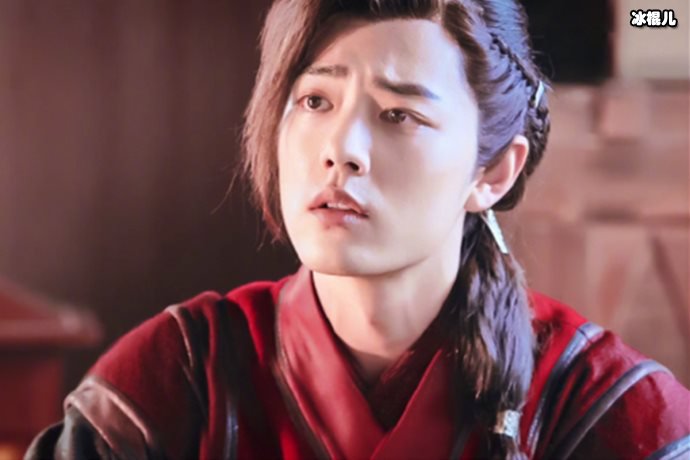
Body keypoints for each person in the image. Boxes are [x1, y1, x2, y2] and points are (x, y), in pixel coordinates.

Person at [26, 0, 690, 459]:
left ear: (492, 171)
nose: (341, 149)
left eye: (399, 114)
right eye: (315, 100)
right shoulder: (179, 381)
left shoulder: (601, 407)